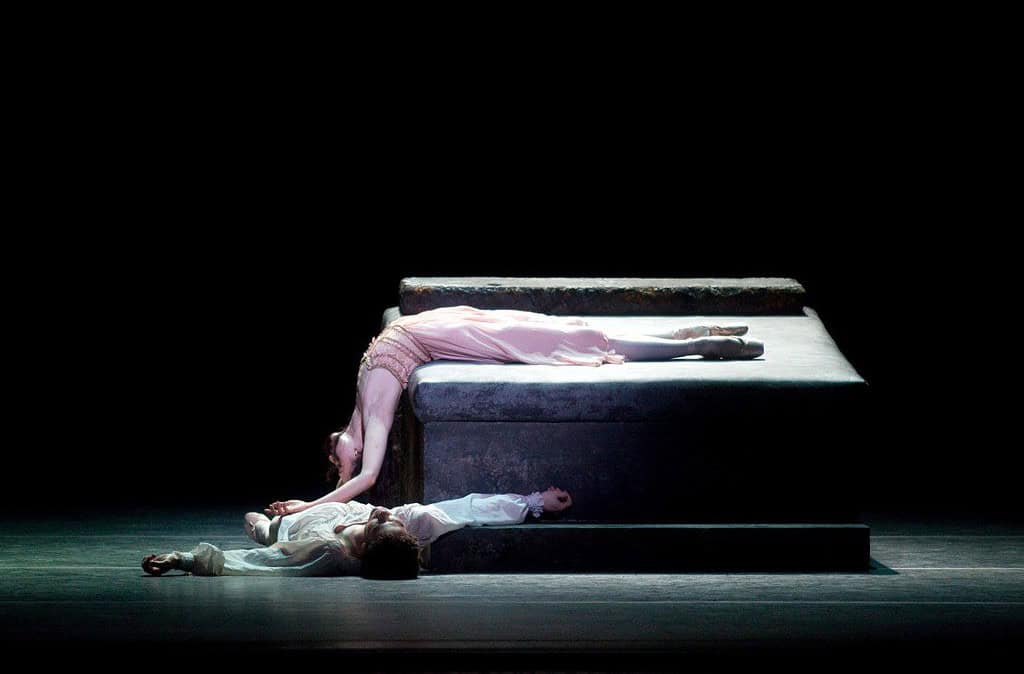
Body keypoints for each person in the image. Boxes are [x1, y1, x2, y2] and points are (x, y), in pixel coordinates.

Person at [266, 305, 763, 519]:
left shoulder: (359, 405)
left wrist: (316, 495)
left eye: (335, 455)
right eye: (338, 461)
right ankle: (697, 343)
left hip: (439, 328)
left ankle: (687, 339)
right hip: (442, 334)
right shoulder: (372, 413)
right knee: (561, 339)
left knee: (555, 334)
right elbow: (366, 477)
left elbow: (354, 471)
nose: (338, 456)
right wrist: (312, 504)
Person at [141, 486, 574, 578]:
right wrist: (533, 503)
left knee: (252, 521)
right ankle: (289, 509)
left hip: (290, 531)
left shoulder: (328, 551)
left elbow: (255, 563)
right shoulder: (408, 525)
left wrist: (185, 558)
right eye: (390, 517)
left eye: (379, 518)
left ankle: (274, 519)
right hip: (321, 510)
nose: (385, 511)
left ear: (367, 540)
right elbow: (466, 508)